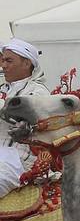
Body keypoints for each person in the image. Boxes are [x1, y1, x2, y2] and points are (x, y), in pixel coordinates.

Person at [0, 38, 50, 180]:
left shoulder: (38, 92)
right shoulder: (3, 89)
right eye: (3, 60)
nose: (3, 65)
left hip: (18, 159)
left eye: (9, 61)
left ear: (27, 63)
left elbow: (24, 118)